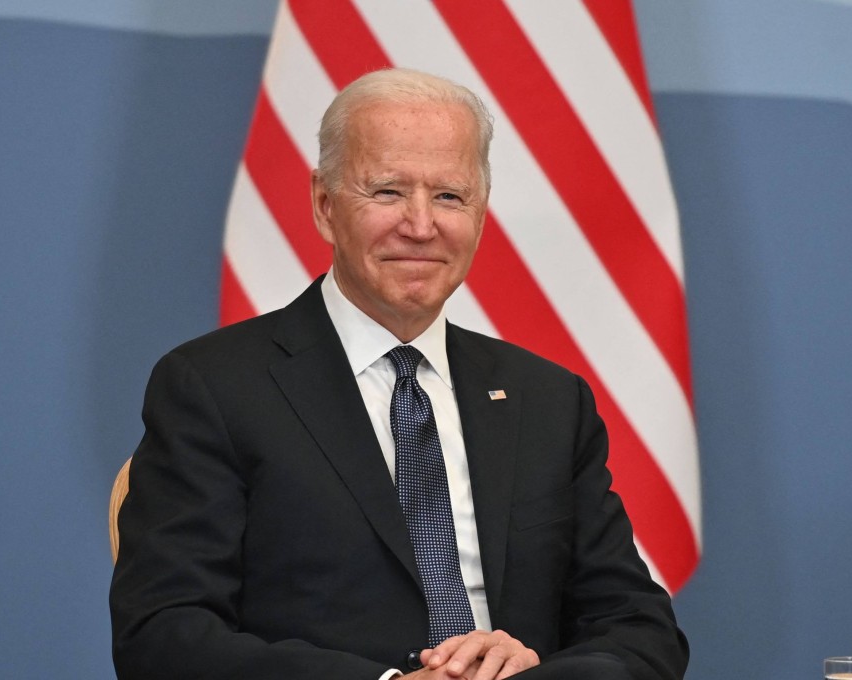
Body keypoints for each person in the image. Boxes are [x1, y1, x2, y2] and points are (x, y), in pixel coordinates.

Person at [110, 68, 688, 680]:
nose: (420, 225)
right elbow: (164, 636)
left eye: (449, 196)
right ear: (325, 205)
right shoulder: (214, 387)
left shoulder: (548, 400)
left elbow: (640, 631)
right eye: (387, 192)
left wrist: (533, 669)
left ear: (481, 215)